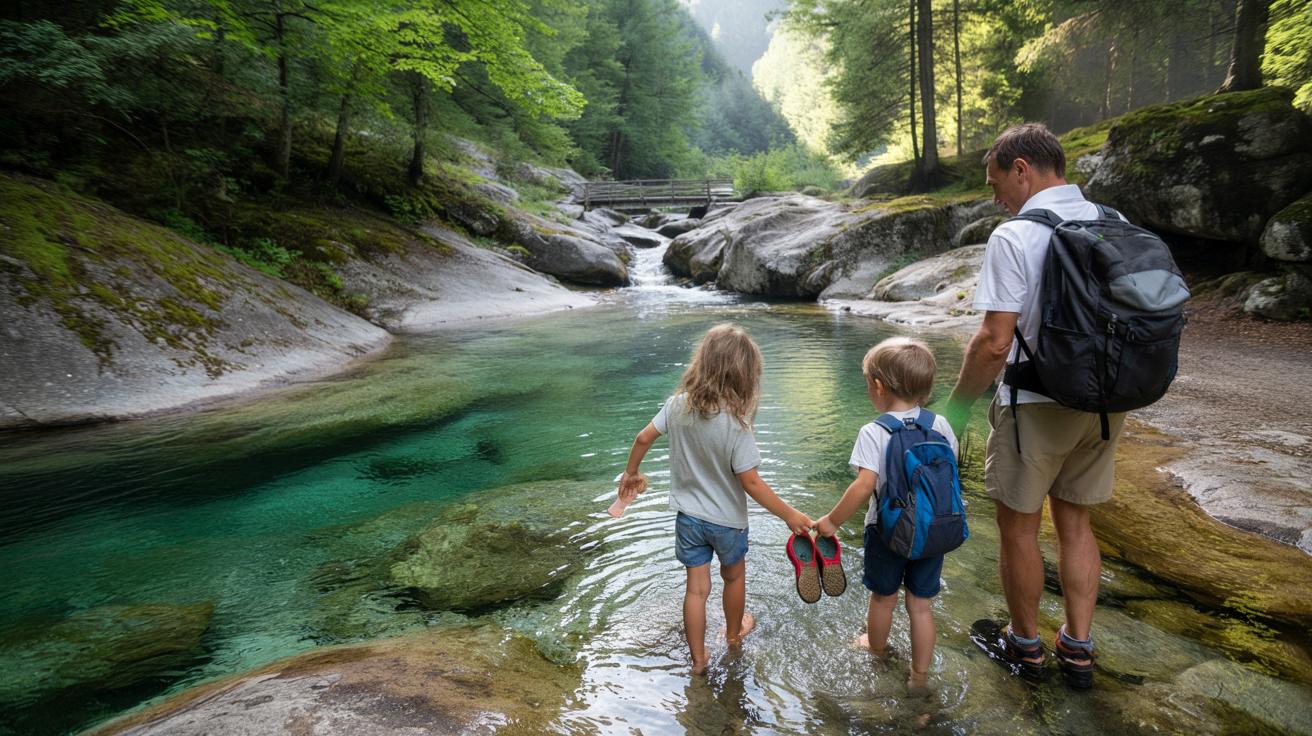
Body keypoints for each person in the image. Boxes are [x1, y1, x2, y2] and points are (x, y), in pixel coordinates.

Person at [943, 122, 1126, 689]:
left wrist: (954, 411)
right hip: (1106, 401)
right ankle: (1078, 647)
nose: (995, 197)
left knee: (1019, 529)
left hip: (1035, 403)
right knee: (1076, 523)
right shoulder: (1112, 222)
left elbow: (995, 341)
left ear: (1022, 169)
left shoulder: (1015, 236)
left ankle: (1025, 648)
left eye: (997, 183)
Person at [616, 323, 813, 675]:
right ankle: (734, 636)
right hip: (728, 523)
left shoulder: (676, 407)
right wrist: (789, 514)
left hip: (688, 518)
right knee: (734, 578)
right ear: (745, 377)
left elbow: (643, 437)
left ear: (702, 363)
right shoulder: (737, 426)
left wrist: (631, 473)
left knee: (696, 590)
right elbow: (751, 482)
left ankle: (698, 660)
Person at [815, 337, 959, 694]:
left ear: (878, 387)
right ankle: (919, 676)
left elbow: (864, 486)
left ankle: (876, 652)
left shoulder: (874, 431)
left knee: (883, 598)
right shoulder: (940, 424)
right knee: (921, 606)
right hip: (933, 531)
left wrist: (831, 522)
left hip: (888, 532)